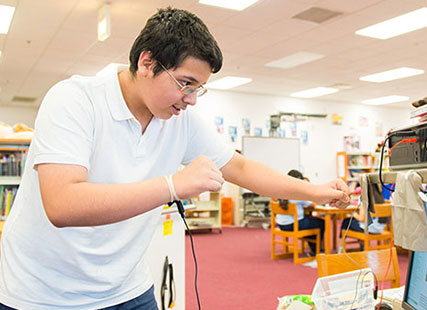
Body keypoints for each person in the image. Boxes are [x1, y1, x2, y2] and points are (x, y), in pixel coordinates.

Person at [0, 8, 350, 309]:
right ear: (147, 62)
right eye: (185, 83)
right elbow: (62, 205)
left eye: (198, 87)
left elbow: (240, 168)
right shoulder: (74, 100)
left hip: (126, 286)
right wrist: (172, 185)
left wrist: (317, 191)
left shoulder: (178, 121)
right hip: (43, 293)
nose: (192, 99)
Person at [276, 170, 326, 254]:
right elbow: (313, 204)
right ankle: (318, 250)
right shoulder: (297, 193)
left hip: (281, 224)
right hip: (293, 225)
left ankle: (314, 249)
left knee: (310, 222)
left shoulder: (281, 191)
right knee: (321, 223)